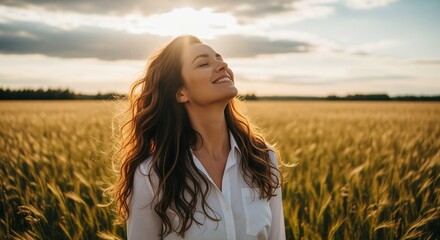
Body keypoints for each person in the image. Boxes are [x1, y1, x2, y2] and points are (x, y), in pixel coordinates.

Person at [112, 35, 285, 240]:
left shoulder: (263, 158)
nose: (222, 65)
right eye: (204, 63)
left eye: (219, 58)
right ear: (181, 92)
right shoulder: (152, 175)